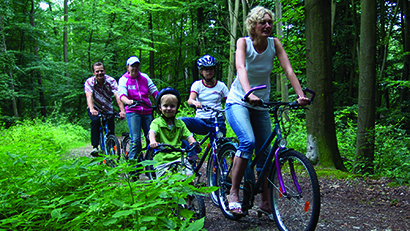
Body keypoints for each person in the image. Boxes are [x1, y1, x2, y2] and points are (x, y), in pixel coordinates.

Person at [224, 6, 309, 218]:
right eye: (263, 22)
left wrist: (300, 95)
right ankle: (233, 193)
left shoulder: (274, 44)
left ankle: (265, 202)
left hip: (261, 103)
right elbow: (241, 68)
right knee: (248, 143)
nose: (268, 26)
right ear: (253, 25)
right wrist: (248, 92)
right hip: (238, 101)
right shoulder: (243, 43)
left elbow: (288, 70)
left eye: (270, 22)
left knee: (266, 153)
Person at [148, 88, 201, 178]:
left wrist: (194, 143)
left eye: (172, 106)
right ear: (160, 107)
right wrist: (153, 141)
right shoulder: (156, 122)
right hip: (162, 159)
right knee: (165, 184)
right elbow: (152, 132)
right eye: (165, 106)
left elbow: (188, 135)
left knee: (189, 179)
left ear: (176, 108)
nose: (169, 108)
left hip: (179, 157)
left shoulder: (180, 124)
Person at [118, 56, 159, 162]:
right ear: (128, 67)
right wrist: (128, 101)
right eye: (132, 66)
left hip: (147, 110)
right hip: (133, 111)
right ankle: (132, 167)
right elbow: (122, 94)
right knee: (136, 140)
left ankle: (152, 164)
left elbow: (153, 90)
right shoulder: (124, 79)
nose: (135, 68)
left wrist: (161, 101)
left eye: (137, 65)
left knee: (151, 137)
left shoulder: (144, 77)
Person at [179, 54, 229, 136]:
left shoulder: (221, 86)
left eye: (211, 69)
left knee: (220, 143)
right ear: (201, 71)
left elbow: (230, 101)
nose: (209, 72)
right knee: (181, 121)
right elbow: (190, 100)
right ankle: (191, 146)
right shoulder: (197, 85)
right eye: (206, 69)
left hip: (217, 119)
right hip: (201, 119)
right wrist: (195, 103)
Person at [84, 62, 126, 156]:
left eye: (101, 71)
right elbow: (89, 96)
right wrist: (91, 109)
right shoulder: (89, 82)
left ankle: (112, 147)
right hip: (94, 108)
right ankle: (95, 146)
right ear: (93, 72)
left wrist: (122, 111)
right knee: (95, 121)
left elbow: (117, 96)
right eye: (97, 71)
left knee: (111, 128)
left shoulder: (111, 81)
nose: (100, 73)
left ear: (104, 71)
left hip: (107, 108)